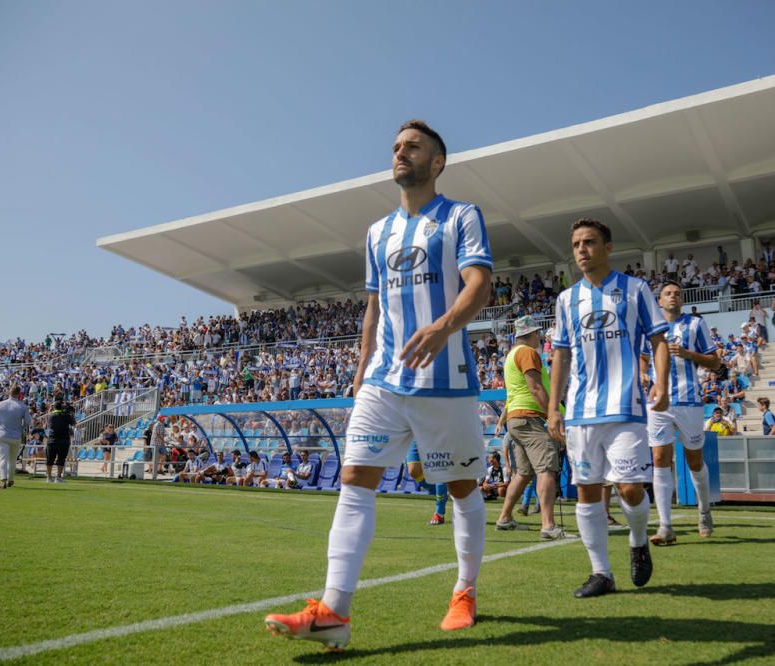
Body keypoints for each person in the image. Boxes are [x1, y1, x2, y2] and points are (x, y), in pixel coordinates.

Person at [265, 120, 492, 650]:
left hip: (446, 380)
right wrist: (362, 364)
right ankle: (333, 613)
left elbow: (480, 284)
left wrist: (440, 328)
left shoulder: (461, 216)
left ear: (437, 162)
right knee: (354, 478)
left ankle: (465, 589)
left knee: (461, 488)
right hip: (385, 380)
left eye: (412, 146)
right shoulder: (377, 232)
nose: (400, 153)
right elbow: (372, 306)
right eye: (395, 147)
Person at [547, 218, 670, 599]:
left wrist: (662, 384)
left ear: (608, 247)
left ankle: (637, 541)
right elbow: (562, 356)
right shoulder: (567, 299)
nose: (581, 250)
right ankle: (601, 572)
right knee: (587, 493)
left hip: (626, 406)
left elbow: (659, 341)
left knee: (630, 490)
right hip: (581, 412)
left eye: (589, 242)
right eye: (576, 245)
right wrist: (553, 407)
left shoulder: (635, 290)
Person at [640, 281, 721, 546]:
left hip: (689, 400)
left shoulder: (696, 324)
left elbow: (715, 361)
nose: (672, 296)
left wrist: (687, 353)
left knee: (694, 461)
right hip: (658, 401)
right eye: (667, 293)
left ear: (682, 300)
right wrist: (642, 372)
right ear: (659, 300)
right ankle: (665, 525)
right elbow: (643, 357)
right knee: (659, 458)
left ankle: (704, 510)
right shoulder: (649, 326)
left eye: (677, 293)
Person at [493, 315, 565, 540]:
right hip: (530, 417)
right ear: (532, 334)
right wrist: (552, 414)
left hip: (516, 419)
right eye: (538, 334)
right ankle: (548, 525)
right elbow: (535, 388)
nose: (540, 337)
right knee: (546, 469)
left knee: (523, 473)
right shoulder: (527, 353)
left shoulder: (511, 355)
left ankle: (505, 518)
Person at [0, 386, 32, 489]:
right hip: (16, 436)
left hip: (2, 434)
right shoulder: (23, 407)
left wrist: (1, 423)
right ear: (19, 394)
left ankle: (3, 480)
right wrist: (21, 427)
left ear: (9, 392)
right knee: (12, 460)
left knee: (3, 458)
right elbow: (28, 422)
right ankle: (10, 479)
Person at [405, 442, 449, 525]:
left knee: (439, 468)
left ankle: (439, 512)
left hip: (438, 433)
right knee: (413, 471)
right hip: (415, 434)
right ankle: (441, 494)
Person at [45, 400, 76, 483]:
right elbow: (73, 423)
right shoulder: (66, 415)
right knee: (61, 459)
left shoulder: (50, 415)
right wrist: (71, 413)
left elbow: (48, 424)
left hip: (51, 440)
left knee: (50, 459)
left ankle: (49, 477)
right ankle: (58, 477)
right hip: (63, 440)